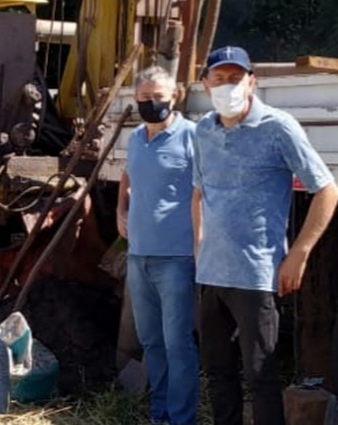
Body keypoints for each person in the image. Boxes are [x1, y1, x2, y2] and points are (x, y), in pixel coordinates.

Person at [193, 46, 338, 425]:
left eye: (236, 78)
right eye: (219, 79)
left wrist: (300, 253)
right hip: (211, 274)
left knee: (261, 376)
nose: (228, 86)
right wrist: (198, 244)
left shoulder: (277, 127)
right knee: (219, 375)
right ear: (206, 84)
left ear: (252, 81)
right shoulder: (203, 131)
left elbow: (326, 189)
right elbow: (199, 192)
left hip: (256, 275)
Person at [117, 66, 198, 425]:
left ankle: (181, 418)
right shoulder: (135, 137)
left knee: (178, 344)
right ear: (136, 99)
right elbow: (128, 175)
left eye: (159, 97)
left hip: (177, 258)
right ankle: (159, 414)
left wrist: (201, 246)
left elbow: (206, 192)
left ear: (175, 96)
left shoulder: (192, 137)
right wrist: (121, 210)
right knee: (152, 342)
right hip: (138, 257)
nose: (152, 103)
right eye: (145, 98)